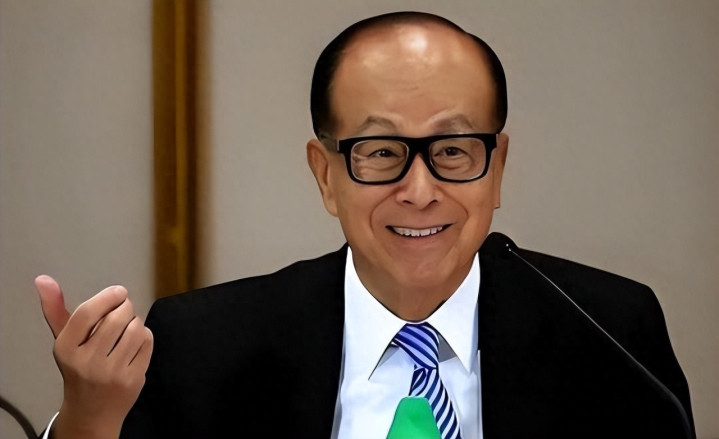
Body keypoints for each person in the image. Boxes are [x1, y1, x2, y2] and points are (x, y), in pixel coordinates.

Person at [36, 11, 694, 439]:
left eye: (453, 150)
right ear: (325, 174)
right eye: (380, 152)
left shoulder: (610, 333)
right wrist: (89, 421)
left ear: (496, 169)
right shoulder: (204, 344)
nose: (419, 191)